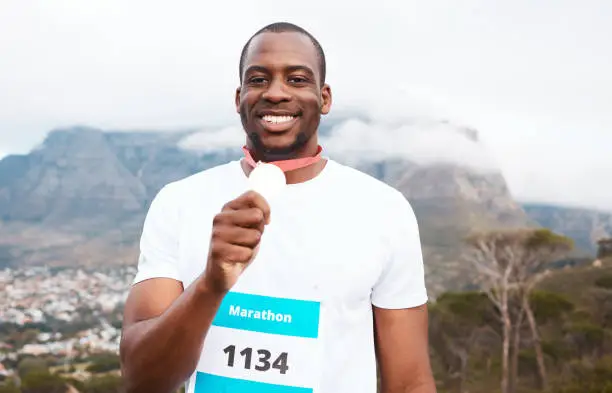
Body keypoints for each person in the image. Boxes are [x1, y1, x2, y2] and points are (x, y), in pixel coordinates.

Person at [119, 22, 436, 393]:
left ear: (325, 97)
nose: (275, 93)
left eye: (298, 79)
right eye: (258, 79)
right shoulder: (179, 202)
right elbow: (141, 379)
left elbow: (409, 382)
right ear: (239, 97)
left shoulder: (384, 210)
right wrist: (210, 285)